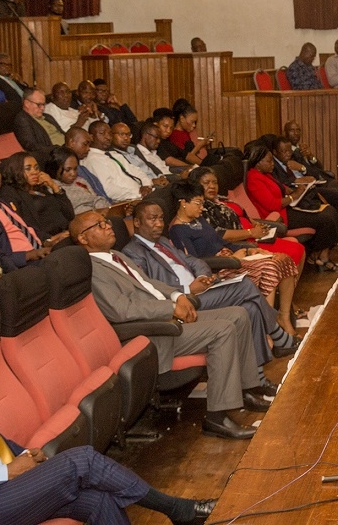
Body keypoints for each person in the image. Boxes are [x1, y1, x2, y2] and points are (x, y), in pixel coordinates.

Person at [0, 315, 215, 525]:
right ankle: (178, 509)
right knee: (81, 461)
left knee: (100, 500)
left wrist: (23, 457)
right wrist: (7, 472)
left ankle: (180, 512)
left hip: (6, 485)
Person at [71, 210, 271, 439]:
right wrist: (169, 308)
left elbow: (149, 284)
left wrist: (178, 297)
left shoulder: (116, 256)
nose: (108, 226)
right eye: (99, 225)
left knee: (238, 314)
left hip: (167, 317)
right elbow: (121, 310)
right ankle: (217, 418)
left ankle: (243, 390)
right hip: (153, 333)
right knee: (223, 330)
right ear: (83, 239)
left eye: (106, 221)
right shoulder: (93, 269)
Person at [126, 198, 300, 363]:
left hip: (203, 288)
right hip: (185, 301)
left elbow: (194, 261)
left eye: (161, 218)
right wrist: (188, 288)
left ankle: (257, 380)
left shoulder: (162, 241)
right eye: (152, 219)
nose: (159, 223)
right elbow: (149, 287)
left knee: (251, 308)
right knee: (246, 285)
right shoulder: (133, 253)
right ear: (137, 222)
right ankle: (280, 337)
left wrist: (201, 277)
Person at [164, 182, 301, 338]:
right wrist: (232, 258)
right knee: (269, 267)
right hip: (219, 268)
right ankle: (269, 330)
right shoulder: (177, 230)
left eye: (202, 203)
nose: (201, 207)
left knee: (282, 259)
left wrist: (250, 250)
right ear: (183, 203)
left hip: (232, 256)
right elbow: (193, 262)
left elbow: (222, 242)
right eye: (198, 203)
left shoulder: (198, 219)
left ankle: (283, 317)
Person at [245, 142, 338, 272]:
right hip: (279, 217)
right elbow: (273, 204)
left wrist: (292, 190)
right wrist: (294, 196)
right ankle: (317, 255)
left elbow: (279, 187)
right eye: (269, 161)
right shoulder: (253, 179)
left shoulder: (266, 174)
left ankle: (322, 255)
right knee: (325, 219)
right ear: (258, 163)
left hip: (287, 209)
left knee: (330, 211)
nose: (273, 164)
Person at [189, 166, 305, 267]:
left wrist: (255, 224)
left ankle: (288, 287)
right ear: (196, 185)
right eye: (206, 183)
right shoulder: (201, 208)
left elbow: (241, 213)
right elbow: (219, 234)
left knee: (298, 247)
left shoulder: (220, 199)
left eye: (215, 182)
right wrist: (251, 232)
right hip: (242, 243)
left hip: (254, 236)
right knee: (295, 250)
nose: (212, 186)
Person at [284, 119, 338, 234]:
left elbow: (319, 167)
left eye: (298, 130)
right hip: (316, 185)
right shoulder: (287, 152)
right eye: (292, 130)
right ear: (285, 132)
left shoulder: (301, 148)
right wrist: (303, 168)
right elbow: (309, 175)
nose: (296, 133)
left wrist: (311, 157)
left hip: (325, 179)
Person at [0, 155, 55, 264]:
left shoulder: (0, 200)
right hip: (23, 263)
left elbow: (24, 227)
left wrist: (47, 241)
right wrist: (30, 255)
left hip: (40, 250)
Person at [0, 152, 74, 243]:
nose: (35, 172)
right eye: (28, 168)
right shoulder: (10, 193)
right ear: (16, 170)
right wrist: (49, 239)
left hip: (68, 232)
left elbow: (70, 214)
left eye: (36, 168)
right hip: (50, 240)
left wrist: (54, 186)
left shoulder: (41, 188)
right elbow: (22, 224)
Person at [81, 122, 151, 203]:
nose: (108, 137)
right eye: (102, 133)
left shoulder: (113, 154)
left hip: (143, 193)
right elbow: (108, 189)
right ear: (91, 137)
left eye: (109, 133)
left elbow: (136, 170)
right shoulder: (93, 159)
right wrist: (138, 193)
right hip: (128, 200)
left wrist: (146, 185)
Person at [50, 145, 112, 215]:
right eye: (68, 170)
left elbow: (95, 198)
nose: (73, 173)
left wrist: (101, 210)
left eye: (75, 169)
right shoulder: (52, 187)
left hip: (99, 213)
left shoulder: (80, 181)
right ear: (55, 168)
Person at [109, 122, 168, 187]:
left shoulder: (133, 147)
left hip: (158, 179)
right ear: (111, 135)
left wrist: (161, 176)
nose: (126, 138)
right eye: (122, 134)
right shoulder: (112, 154)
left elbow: (147, 163)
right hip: (146, 185)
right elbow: (129, 174)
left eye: (128, 134)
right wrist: (151, 181)